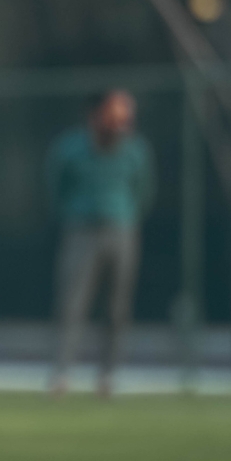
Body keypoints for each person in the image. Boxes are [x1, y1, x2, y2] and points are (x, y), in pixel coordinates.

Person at [46, 89, 156, 397]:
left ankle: (108, 375)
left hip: (122, 230)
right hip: (81, 230)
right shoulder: (70, 149)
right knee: (72, 303)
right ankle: (61, 372)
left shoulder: (135, 150)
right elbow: (57, 188)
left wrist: (126, 216)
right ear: (94, 116)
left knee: (117, 307)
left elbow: (143, 191)